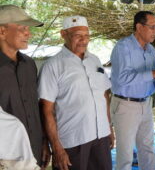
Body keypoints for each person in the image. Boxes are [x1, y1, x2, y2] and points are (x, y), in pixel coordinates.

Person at [38, 16, 113, 170]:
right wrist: (57, 148)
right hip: (72, 141)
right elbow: (46, 110)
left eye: (86, 36)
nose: (83, 40)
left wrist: (109, 128)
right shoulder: (52, 66)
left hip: (101, 136)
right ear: (63, 34)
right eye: (78, 35)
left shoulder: (95, 60)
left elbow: (104, 96)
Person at [110, 11, 155, 170]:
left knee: (148, 149)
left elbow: (154, 82)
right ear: (139, 27)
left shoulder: (151, 50)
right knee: (125, 155)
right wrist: (153, 73)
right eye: (152, 27)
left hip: (146, 103)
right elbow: (122, 78)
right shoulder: (123, 47)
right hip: (125, 105)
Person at [0, 4, 50, 168]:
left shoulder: (29, 65)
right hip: (6, 157)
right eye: (22, 28)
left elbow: (34, 107)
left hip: (33, 149)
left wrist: (43, 141)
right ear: (2, 31)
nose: (28, 33)